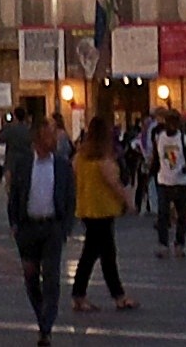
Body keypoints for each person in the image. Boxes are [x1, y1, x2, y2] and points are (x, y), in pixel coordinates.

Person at [0, 113, 73, 347]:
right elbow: (15, 195)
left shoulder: (62, 165)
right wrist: (14, 224)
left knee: (51, 278)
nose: (55, 140)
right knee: (31, 278)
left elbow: (70, 197)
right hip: (28, 228)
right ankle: (41, 313)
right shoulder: (24, 164)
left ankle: (46, 326)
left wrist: (65, 228)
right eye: (50, 136)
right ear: (39, 139)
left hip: (51, 227)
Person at [67, 116, 133, 313]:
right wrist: (128, 202)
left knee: (102, 253)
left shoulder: (79, 157)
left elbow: (74, 177)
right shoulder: (104, 160)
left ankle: (116, 295)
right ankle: (82, 295)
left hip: (87, 209)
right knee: (96, 255)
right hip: (103, 209)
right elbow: (115, 183)